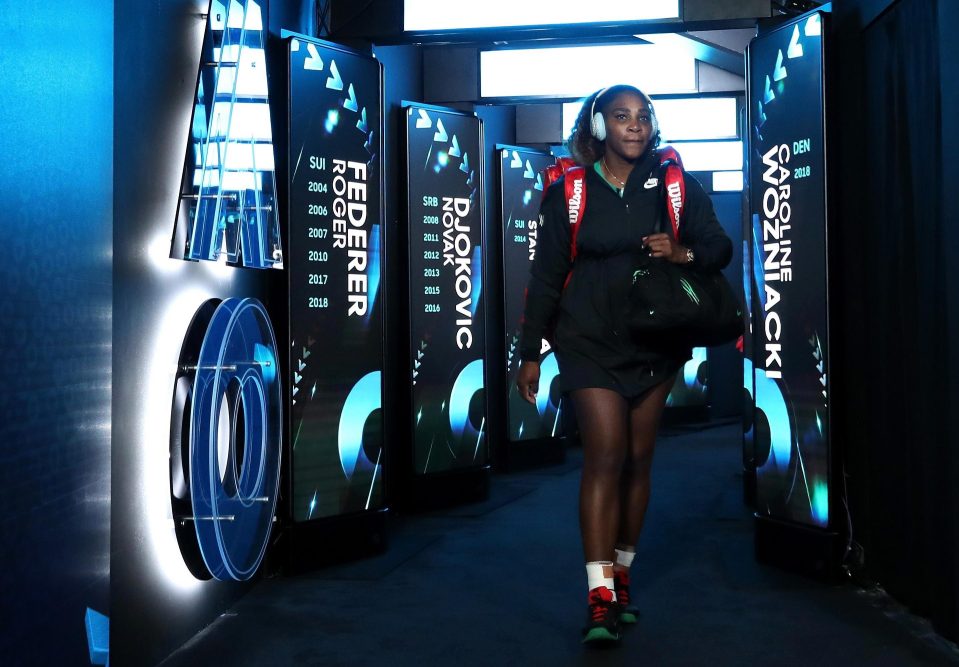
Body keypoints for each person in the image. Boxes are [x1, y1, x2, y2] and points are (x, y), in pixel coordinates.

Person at [516, 84, 732, 645]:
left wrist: (682, 252)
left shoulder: (673, 184)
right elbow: (544, 277)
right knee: (606, 454)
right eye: (621, 116)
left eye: (643, 117)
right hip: (585, 340)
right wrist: (530, 351)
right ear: (597, 128)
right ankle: (598, 595)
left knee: (638, 459)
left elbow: (718, 246)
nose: (634, 126)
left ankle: (623, 576)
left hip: (654, 341)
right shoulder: (571, 191)